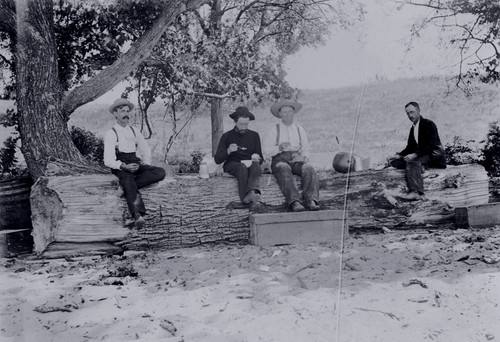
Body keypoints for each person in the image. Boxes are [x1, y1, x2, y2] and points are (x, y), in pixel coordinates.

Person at [103, 98, 166, 228]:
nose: (126, 114)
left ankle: (124, 187)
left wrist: (146, 164)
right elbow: (108, 160)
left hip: (135, 163)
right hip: (120, 165)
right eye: (122, 111)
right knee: (127, 178)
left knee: (160, 172)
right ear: (115, 114)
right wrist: (123, 166)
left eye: (127, 111)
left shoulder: (134, 130)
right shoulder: (111, 133)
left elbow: (145, 148)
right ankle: (137, 214)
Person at [263, 99, 320, 212]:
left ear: (294, 113)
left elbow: (306, 149)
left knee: (309, 168)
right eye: (284, 112)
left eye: (290, 111)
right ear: (280, 114)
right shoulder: (274, 130)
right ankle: (294, 202)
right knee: (283, 168)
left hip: (296, 160)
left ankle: (311, 200)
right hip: (280, 159)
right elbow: (265, 151)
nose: (287, 114)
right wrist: (279, 147)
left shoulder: (299, 129)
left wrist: (303, 157)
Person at [388, 101, 446, 200]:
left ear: (418, 111)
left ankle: (416, 192)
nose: (410, 115)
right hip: (422, 155)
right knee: (396, 162)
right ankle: (420, 166)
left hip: (433, 155)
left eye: (412, 112)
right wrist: (398, 155)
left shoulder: (428, 124)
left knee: (412, 161)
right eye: (408, 113)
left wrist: (415, 154)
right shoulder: (413, 128)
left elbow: (431, 145)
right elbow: (410, 147)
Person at [214, 106, 264, 211]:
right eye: (241, 124)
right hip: (232, 164)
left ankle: (252, 193)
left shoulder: (254, 136)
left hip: (249, 163)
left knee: (256, 166)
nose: (244, 127)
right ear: (235, 122)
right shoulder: (227, 136)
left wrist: (257, 158)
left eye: (246, 124)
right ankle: (245, 198)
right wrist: (228, 151)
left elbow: (261, 158)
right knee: (242, 167)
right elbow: (217, 159)